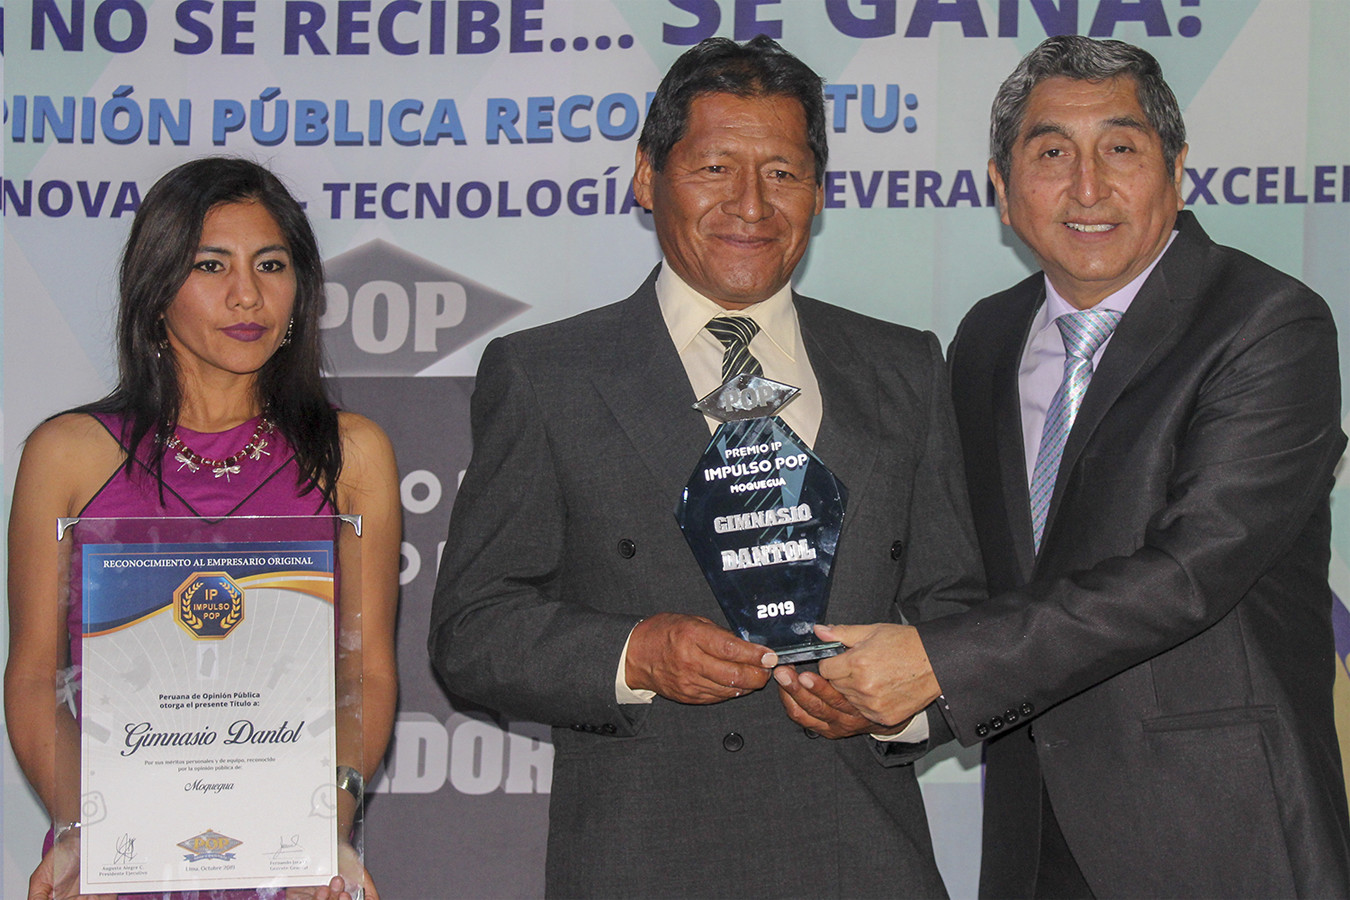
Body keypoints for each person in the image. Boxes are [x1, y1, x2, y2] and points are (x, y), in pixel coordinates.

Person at [428, 35, 983, 898]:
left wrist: (903, 707)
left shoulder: (903, 368)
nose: (750, 204)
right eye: (715, 167)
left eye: (783, 173)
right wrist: (634, 654)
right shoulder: (548, 375)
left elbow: (958, 612)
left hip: (863, 856)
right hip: (646, 857)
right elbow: (472, 631)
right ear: (647, 177)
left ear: (819, 193)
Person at [814, 35, 1350, 898]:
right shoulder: (985, 339)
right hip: (1033, 842)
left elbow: (1188, 574)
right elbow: (978, 577)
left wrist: (940, 665)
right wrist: (901, 696)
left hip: (1217, 835)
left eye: (1122, 149)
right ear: (1002, 187)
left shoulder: (1267, 324)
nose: (1089, 187)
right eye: (1052, 153)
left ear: (1177, 170)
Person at [5, 157, 401, 900]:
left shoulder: (351, 456)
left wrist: (328, 825)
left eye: (271, 265)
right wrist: (84, 830)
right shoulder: (67, 455)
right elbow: (32, 677)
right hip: (115, 864)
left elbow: (366, 675)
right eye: (210, 265)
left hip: (290, 863)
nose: (246, 294)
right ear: (156, 288)